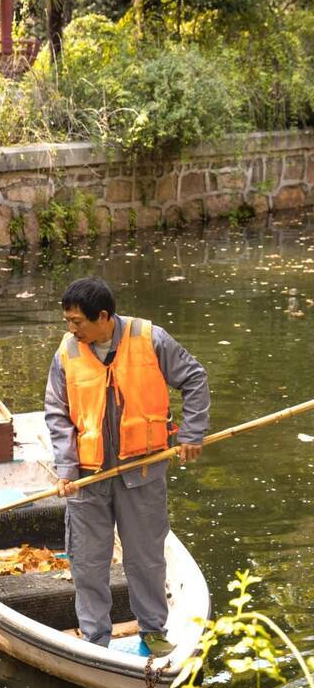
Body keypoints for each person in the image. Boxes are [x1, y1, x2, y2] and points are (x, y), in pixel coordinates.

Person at [44, 277, 210, 656]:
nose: (72, 329)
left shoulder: (151, 339)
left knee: (146, 557)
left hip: (143, 471)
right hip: (88, 478)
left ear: (103, 317)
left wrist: (191, 433)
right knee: (87, 561)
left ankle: (153, 630)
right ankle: (95, 640)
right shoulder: (67, 353)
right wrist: (67, 468)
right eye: (68, 321)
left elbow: (195, 379)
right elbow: (56, 412)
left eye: (77, 322)